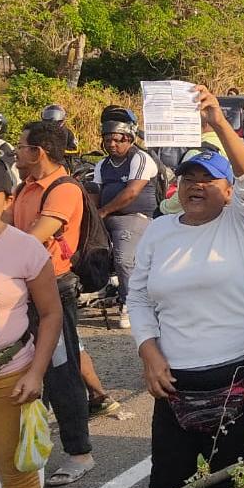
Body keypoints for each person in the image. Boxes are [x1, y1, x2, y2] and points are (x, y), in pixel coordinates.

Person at [127, 85, 244, 488]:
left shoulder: (240, 224)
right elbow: (137, 299)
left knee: (226, 484)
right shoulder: (159, 230)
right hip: (174, 379)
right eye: (190, 177)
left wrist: (219, 123)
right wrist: (149, 353)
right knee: (169, 486)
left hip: (239, 373)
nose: (197, 185)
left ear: (229, 191)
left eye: (210, 179)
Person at [0, 157, 62, 488]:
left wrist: (36, 372)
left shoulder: (24, 247)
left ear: (7, 201)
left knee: (17, 479)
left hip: (8, 375)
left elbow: (51, 314)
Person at [10, 120, 95, 487]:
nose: (15, 151)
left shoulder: (63, 189)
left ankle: (80, 453)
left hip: (53, 292)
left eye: (19, 145)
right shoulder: (24, 186)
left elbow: (32, 241)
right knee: (19, 372)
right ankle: (29, 447)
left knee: (61, 372)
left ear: (37, 152)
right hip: (20, 291)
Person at [93, 117, 159, 329]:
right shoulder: (102, 164)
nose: (112, 144)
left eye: (117, 139)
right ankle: (98, 285)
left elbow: (131, 193)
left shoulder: (140, 159)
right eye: (107, 139)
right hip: (106, 216)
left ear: (129, 138)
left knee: (123, 259)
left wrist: (103, 211)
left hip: (134, 217)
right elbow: (95, 191)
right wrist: (92, 215)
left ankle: (130, 304)